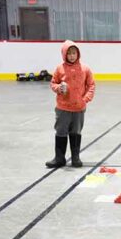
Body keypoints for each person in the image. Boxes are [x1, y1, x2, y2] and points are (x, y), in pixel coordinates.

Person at [46, 40, 95, 169]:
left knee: (76, 132)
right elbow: (53, 83)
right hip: (63, 108)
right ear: (64, 55)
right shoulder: (59, 69)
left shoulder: (85, 69)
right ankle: (59, 158)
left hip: (79, 108)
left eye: (74, 53)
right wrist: (58, 88)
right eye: (69, 54)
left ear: (77, 54)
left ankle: (75, 157)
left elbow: (91, 85)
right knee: (61, 132)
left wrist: (85, 99)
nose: (72, 56)